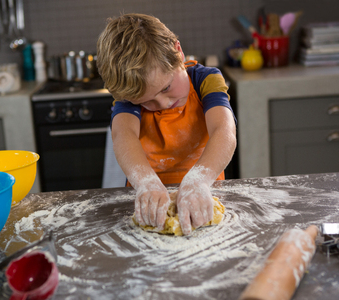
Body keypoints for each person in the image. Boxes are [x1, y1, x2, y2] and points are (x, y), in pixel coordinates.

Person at [96, 13, 237, 235]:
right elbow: (123, 136)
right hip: (149, 205)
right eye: (146, 101)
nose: (163, 103)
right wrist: (145, 183)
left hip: (205, 194)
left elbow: (224, 131)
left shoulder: (205, 80)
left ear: (178, 52)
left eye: (166, 88)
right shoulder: (129, 95)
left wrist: (199, 181)